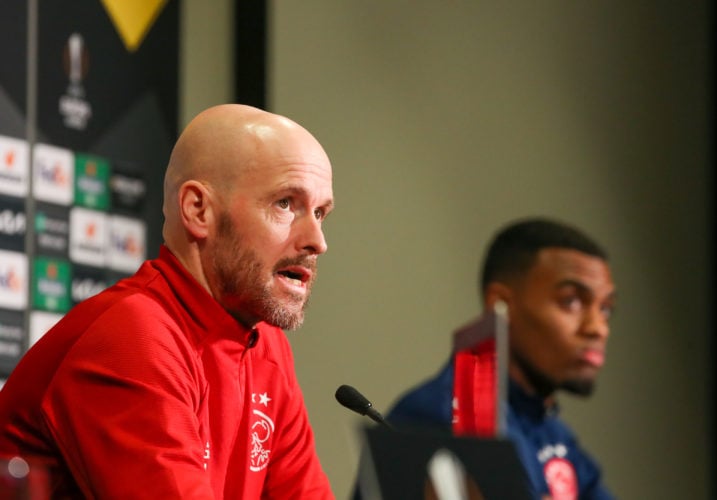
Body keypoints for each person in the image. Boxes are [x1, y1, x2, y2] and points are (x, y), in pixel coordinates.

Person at [0, 104, 335, 498]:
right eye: (285, 204)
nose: (317, 241)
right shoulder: (133, 337)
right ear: (198, 210)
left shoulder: (267, 349)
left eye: (320, 212)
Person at [365, 218, 617, 499]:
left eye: (605, 309)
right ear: (501, 304)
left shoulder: (552, 430)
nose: (598, 327)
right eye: (571, 301)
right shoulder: (448, 416)